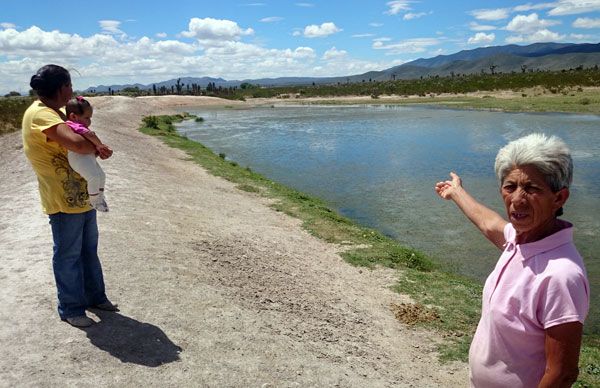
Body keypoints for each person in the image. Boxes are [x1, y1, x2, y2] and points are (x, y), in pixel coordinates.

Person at [435, 133, 589, 387]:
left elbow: (562, 374)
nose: (517, 199)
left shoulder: (561, 276)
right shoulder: (518, 240)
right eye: (510, 187)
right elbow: (488, 222)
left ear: (559, 198)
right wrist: (456, 193)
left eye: (531, 188)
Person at [22, 64, 118, 328]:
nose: (72, 91)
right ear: (64, 87)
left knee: (88, 251)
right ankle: (71, 308)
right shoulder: (42, 114)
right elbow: (77, 143)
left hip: (81, 197)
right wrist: (95, 145)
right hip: (63, 201)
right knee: (68, 255)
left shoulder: (57, 112)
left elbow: (82, 136)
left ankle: (95, 297)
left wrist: (93, 145)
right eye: (71, 86)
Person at [65, 96, 111, 212]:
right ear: (73, 116)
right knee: (94, 177)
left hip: (86, 156)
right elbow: (90, 135)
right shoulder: (73, 125)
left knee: (101, 176)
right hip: (79, 157)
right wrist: (100, 145)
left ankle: (99, 197)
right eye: (86, 118)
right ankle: (94, 201)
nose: (89, 121)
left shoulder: (76, 125)